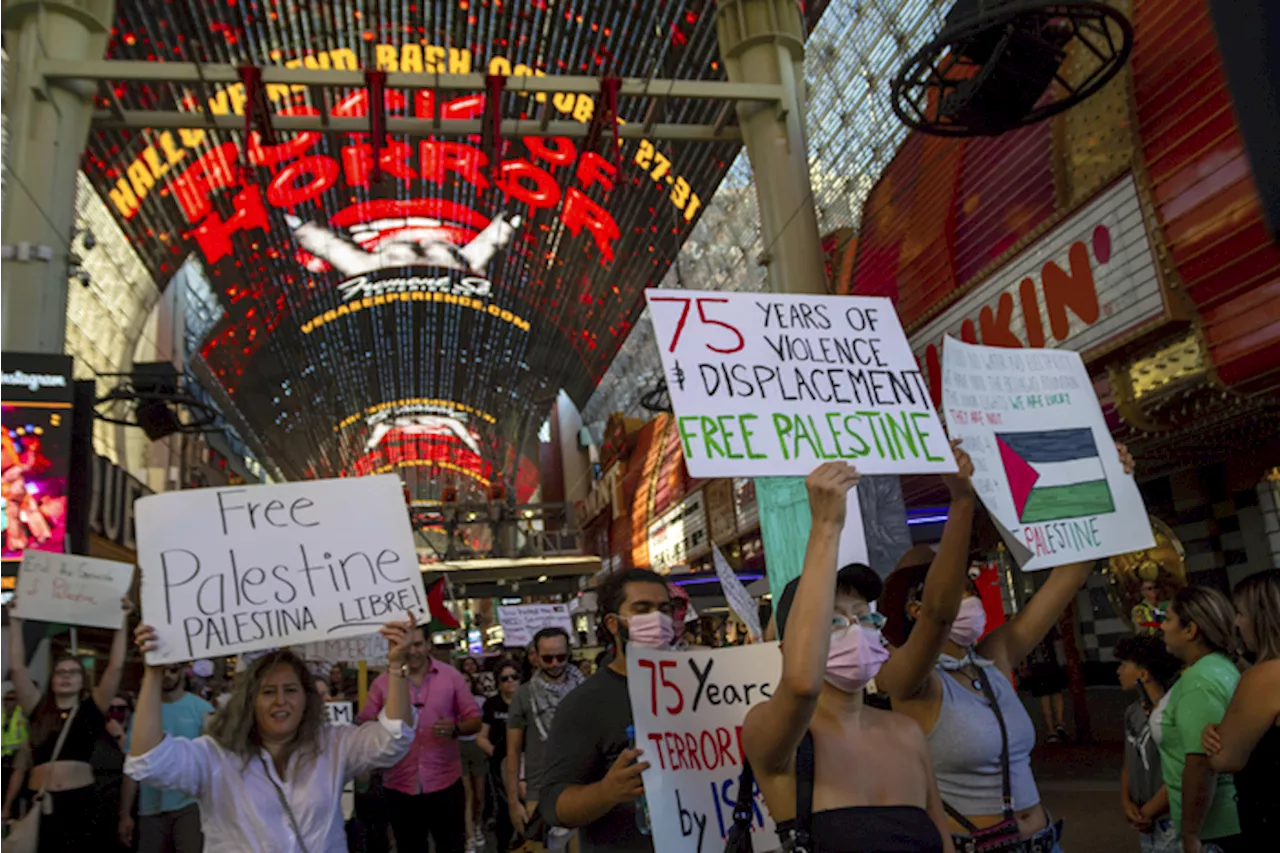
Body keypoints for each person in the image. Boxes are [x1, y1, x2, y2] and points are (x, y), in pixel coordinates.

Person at [879, 440, 1135, 852]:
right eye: (961, 589)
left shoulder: (992, 656)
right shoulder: (908, 679)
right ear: (914, 607)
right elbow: (938, 615)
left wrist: (1111, 487)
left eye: (971, 587)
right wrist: (961, 502)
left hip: (1044, 842)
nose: (972, 599)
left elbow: (1070, 575)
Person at [742, 462, 953, 853]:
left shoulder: (906, 733)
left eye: (862, 617)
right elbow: (803, 685)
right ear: (793, 646)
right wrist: (826, 526)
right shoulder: (772, 735)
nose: (855, 630)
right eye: (833, 622)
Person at [125, 613, 416, 852]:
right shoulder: (214, 756)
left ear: (307, 699)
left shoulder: (334, 744)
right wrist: (153, 674)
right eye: (268, 691)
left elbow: (393, 738)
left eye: (291, 690)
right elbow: (149, 760)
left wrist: (396, 666)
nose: (280, 701)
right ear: (249, 700)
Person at [540, 568, 674, 853]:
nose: (657, 619)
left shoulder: (697, 686)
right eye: (642, 610)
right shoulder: (585, 703)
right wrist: (607, 791)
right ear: (613, 624)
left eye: (664, 609)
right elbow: (553, 805)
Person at [8, 597, 131, 851]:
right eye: (60, 672)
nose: (66, 677)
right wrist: (16, 621)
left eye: (73, 672)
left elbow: (115, 666)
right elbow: (18, 669)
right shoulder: (38, 708)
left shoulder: (91, 709)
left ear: (82, 681)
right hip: (42, 803)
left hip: (82, 803)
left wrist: (122, 620)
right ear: (52, 679)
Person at [359, 621, 481, 853]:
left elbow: (474, 720)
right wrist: (387, 724)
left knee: (452, 847)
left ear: (428, 646)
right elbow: (363, 723)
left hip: (445, 783)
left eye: (418, 644)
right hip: (400, 785)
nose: (412, 651)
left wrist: (455, 728)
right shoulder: (382, 683)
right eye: (407, 645)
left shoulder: (451, 677)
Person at [1158, 585, 1242, 852]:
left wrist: (1191, 832)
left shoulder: (1198, 682)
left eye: (1168, 619)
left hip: (1215, 827)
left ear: (1191, 630)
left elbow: (1200, 765)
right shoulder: (1223, 666)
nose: (1162, 627)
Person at [1202, 569, 1280, 849]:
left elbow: (1224, 759)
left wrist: (1213, 738)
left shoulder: (1266, 677)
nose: (1236, 623)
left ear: (1263, 618)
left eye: (1240, 612)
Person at [119, 662, 214, 853]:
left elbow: (213, 760)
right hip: (150, 807)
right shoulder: (145, 713)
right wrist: (124, 814)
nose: (167, 675)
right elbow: (132, 765)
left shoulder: (202, 708)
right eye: (162, 671)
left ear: (183, 673)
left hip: (190, 804)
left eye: (173, 670)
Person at [506, 626, 585, 846]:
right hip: (539, 791)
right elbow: (513, 751)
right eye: (547, 658)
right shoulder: (524, 695)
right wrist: (513, 802)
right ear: (535, 657)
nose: (555, 663)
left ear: (569, 653)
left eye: (560, 657)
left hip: (582, 786)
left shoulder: (585, 689)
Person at [1115, 634, 1183, 853]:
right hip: (1145, 820)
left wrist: (1149, 811)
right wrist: (1127, 803)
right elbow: (1129, 760)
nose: (1118, 671)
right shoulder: (1132, 713)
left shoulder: (1172, 712)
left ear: (1143, 674)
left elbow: (1180, 770)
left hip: (1169, 819)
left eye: (1124, 665)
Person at [479, 661, 521, 852]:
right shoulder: (492, 704)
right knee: (505, 809)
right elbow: (481, 737)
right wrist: (495, 753)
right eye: (505, 678)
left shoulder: (528, 701)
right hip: (500, 765)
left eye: (514, 677)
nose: (510, 682)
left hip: (527, 763)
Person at [1023, 628, 1069, 743]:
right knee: (1056, 694)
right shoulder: (1050, 627)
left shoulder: (1030, 629)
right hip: (1052, 663)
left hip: (1038, 665)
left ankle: (1051, 730)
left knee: (1045, 697)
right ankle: (1059, 723)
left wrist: (1025, 665)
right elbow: (1058, 642)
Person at [459, 674, 488, 853]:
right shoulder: (450, 700)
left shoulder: (481, 701)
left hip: (477, 745)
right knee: (466, 794)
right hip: (458, 746)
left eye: (467, 680)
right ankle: (469, 835)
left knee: (479, 794)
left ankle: (477, 825)